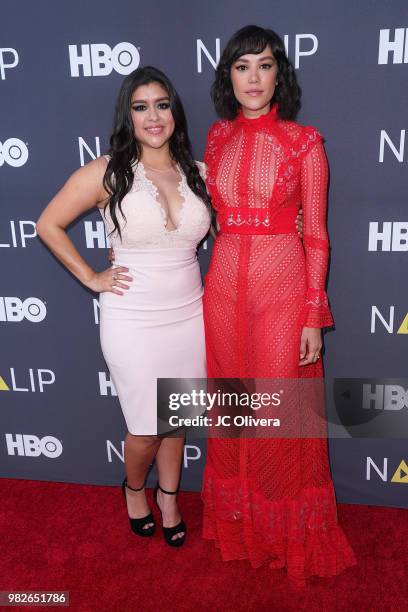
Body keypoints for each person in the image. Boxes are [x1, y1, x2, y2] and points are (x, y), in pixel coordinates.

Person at [200, 25, 357, 585]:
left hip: (283, 288)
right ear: (229, 77)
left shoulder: (303, 142)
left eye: (264, 66)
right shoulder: (216, 139)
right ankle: (242, 525)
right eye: (242, 67)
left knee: (281, 414)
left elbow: (316, 234)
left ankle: (283, 534)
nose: (254, 78)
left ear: (278, 75)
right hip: (221, 289)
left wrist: (314, 312)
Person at [36, 66, 213, 547]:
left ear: (174, 111)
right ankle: (135, 488)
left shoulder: (197, 174)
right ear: (127, 116)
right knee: (145, 427)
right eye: (141, 107)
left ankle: (170, 497)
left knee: (177, 419)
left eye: (161, 104)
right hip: (132, 319)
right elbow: (47, 224)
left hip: (191, 315)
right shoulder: (108, 170)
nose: (153, 116)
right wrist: (92, 278)